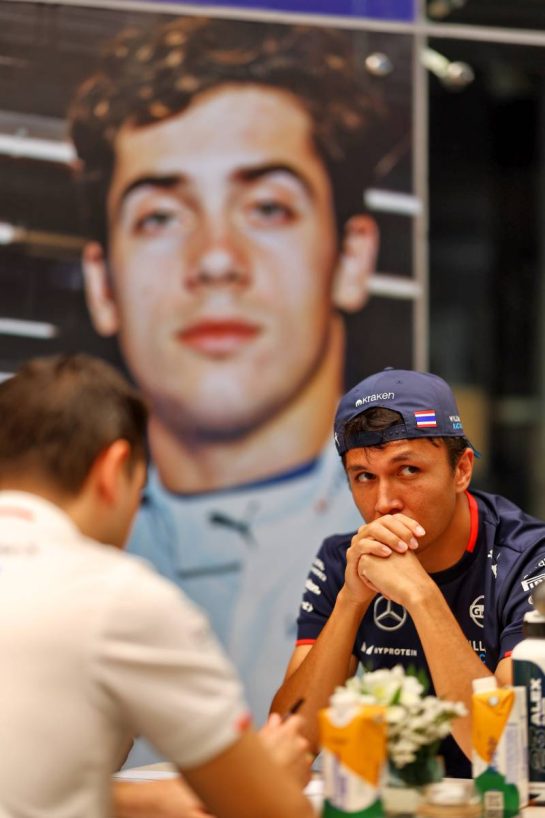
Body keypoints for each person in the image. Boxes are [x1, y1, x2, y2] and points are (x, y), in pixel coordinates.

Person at [68, 15, 388, 725]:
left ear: (351, 257)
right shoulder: (45, 557)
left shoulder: (425, 544)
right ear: (103, 284)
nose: (215, 259)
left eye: (267, 207)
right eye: (159, 217)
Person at [0, 353, 313, 818]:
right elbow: (272, 811)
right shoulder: (116, 596)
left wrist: (146, 800)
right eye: (140, 490)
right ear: (114, 469)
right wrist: (272, 778)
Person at [271, 367, 545, 778]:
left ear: (462, 470)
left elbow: (509, 752)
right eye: (364, 476)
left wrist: (421, 596)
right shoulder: (343, 559)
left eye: (408, 471)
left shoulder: (527, 558)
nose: (384, 502)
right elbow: (292, 739)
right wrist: (351, 600)